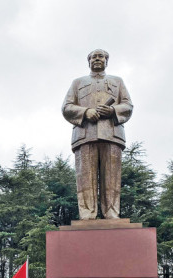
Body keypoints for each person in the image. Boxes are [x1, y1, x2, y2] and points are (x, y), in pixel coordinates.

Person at [62, 49, 133, 220]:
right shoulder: (77, 82)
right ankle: (87, 215)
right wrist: (85, 112)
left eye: (100, 56)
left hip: (112, 134)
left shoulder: (118, 81)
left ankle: (112, 214)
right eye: (93, 57)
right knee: (85, 178)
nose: (97, 59)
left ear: (106, 61)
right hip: (85, 134)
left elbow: (128, 106)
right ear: (89, 62)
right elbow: (66, 107)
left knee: (112, 178)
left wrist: (112, 110)